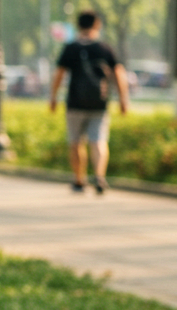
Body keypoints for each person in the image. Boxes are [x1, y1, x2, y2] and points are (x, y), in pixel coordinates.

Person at [49, 10, 130, 194]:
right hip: (99, 103)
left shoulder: (71, 48)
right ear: (97, 25)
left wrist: (53, 97)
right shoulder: (104, 48)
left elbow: (59, 74)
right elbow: (118, 73)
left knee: (76, 142)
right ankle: (99, 176)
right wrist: (123, 99)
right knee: (98, 140)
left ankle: (79, 179)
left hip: (75, 103)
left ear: (78, 25)